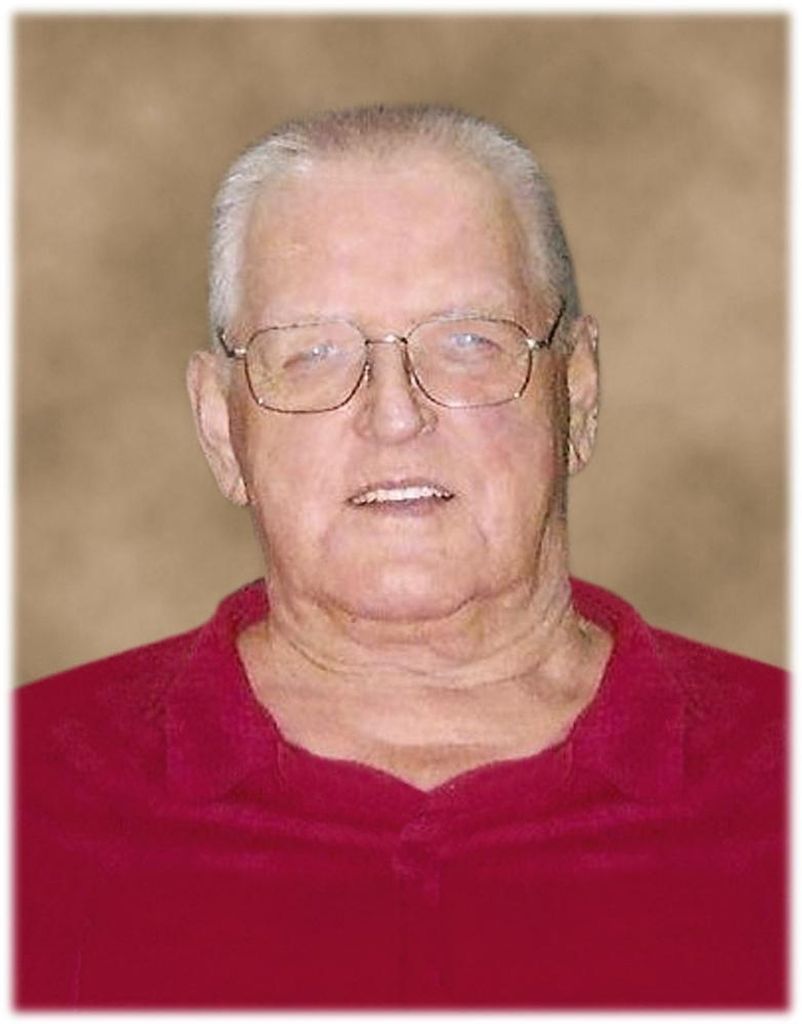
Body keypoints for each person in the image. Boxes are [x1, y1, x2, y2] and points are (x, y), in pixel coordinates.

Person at [16, 104, 786, 1009]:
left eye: (468, 343)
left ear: (576, 395)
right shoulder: (29, 798)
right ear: (221, 427)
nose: (393, 415)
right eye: (311, 353)